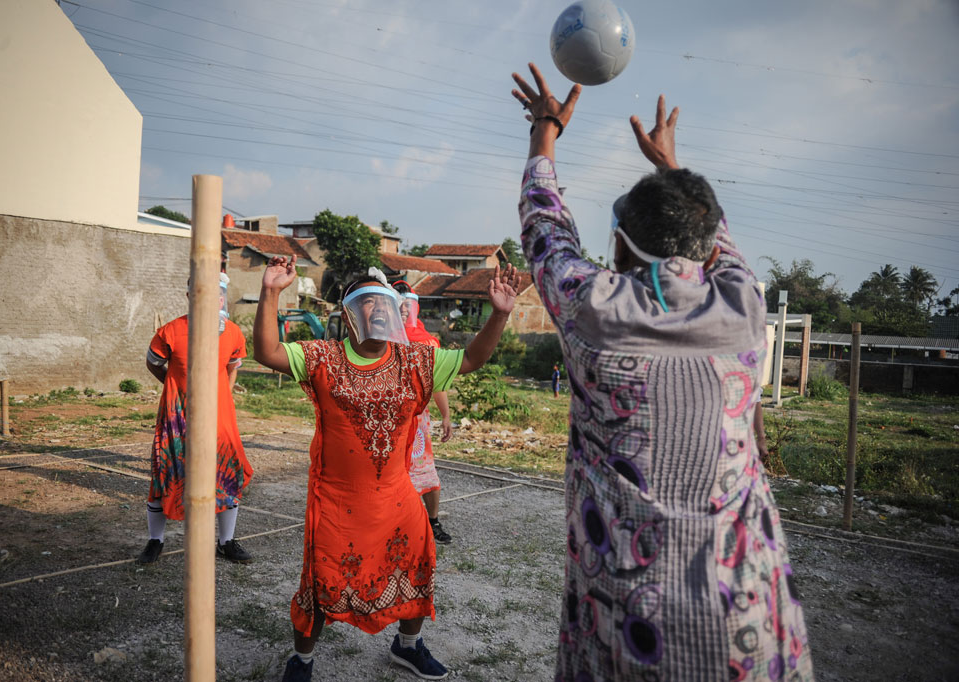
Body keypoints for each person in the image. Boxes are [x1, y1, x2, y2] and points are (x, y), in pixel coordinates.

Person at [511, 63, 813, 681]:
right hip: (743, 622)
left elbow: (544, 224)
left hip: (626, 625)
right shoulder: (744, 308)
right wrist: (671, 168)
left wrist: (546, 132)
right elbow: (716, 241)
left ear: (619, 248)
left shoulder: (592, 309)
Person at [254, 260, 519, 682]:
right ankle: (301, 661)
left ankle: (407, 646)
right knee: (320, 584)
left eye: (384, 304)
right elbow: (266, 351)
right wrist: (270, 292)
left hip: (398, 500)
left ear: (396, 313)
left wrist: (500, 314)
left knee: (417, 566)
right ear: (349, 317)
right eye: (366, 303)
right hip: (337, 504)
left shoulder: (417, 360)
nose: (376, 310)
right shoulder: (324, 357)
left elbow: (472, 357)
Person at [137, 273, 253, 565]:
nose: (212, 299)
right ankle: (155, 540)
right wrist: (173, 385)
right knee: (165, 473)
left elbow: (231, 367)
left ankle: (226, 542)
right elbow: (154, 363)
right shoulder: (170, 331)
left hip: (220, 418)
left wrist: (222, 397)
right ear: (190, 296)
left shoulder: (233, 332)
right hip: (177, 416)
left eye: (218, 293)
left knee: (227, 473)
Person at [393, 281, 454, 545]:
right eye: (400, 306)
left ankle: (433, 521)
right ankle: (393, 522)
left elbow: (437, 382)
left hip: (417, 418)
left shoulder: (428, 342)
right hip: (386, 416)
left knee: (425, 468)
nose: (404, 311)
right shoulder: (382, 337)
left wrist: (447, 415)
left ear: (415, 307)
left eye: (408, 306)